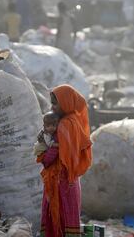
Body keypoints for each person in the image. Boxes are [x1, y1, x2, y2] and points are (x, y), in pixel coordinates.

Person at [36, 84, 92, 237]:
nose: (52, 107)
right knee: (68, 215)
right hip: (69, 180)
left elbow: (52, 156)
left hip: (61, 181)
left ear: (66, 102)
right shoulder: (72, 121)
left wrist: (42, 153)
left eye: (55, 103)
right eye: (52, 103)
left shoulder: (65, 125)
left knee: (60, 217)